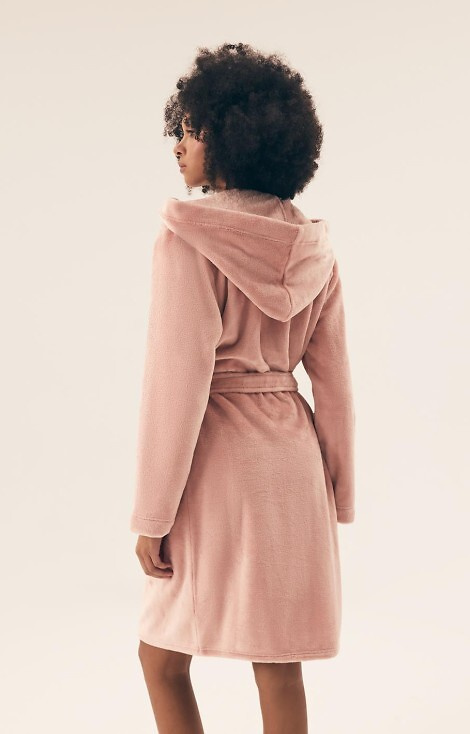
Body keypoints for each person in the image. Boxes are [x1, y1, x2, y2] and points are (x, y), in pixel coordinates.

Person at [130, 42, 356, 734]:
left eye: (191, 130)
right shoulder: (315, 250)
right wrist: (338, 491)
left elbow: (176, 384)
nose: (178, 145)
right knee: (278, 663)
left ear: (228, 139)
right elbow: (335, 385)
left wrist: (152, 515)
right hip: (292, 464)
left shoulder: (188, 239)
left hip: (217, 462)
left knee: (161, 657)